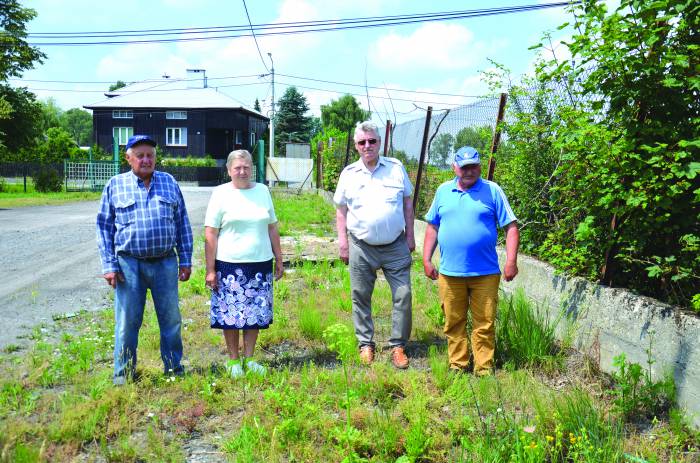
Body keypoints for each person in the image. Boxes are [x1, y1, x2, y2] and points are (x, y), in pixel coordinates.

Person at [96, 135, 193, 385]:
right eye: (140, 155)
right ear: (128, 159)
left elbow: (182, 222)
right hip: (129, 265)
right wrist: (109, 265)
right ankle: (123, 375)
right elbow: (104, 227)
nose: (146, 159)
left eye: (150, 154)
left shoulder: (169, 183)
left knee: (171, 320)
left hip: (165, 263)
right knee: (127, 322)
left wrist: (186, 259)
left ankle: (173, 368)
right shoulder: (115, 185)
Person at [422, 146, 519, 376]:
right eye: (464, 167)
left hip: (485, 273)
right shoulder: (443, 191)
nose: (469, 171)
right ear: (455, 167)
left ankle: (483, 368)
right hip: (450, 273)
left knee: (484, 323)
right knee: (453, 322)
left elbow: (511, 227)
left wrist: (511, 261)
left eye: (473, 166)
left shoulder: (492, 190)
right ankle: (458, 365)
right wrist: (426, 259)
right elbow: (432, 226)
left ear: (480, 166)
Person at [334, 121, 415, 369]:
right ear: (356, 146)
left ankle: (398, 346)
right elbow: (340, 210)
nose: (367, 146)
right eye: (362, 142)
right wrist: (343, 243)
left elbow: (408, 204)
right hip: (361, 245)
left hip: (395, 245)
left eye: (372, 141)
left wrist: (411, 236)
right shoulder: (349, 174)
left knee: (404, 294)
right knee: (360, 295)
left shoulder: (396, 168)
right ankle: (365, 344)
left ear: (380, 142)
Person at [204, 149, 284, 378]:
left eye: (246, 167)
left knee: (255, 314)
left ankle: (249, 359)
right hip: (229, 265)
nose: (242, 171)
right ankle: (233, 361)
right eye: (237, 167)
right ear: (229, 170)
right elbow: (211, 233)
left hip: (260, 264)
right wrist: (210, 270)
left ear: (253, 169)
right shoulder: (220, 194)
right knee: (231, 315)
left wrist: (279, 257)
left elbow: (272, 226)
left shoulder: (262, 191)